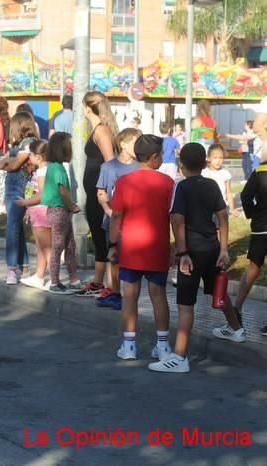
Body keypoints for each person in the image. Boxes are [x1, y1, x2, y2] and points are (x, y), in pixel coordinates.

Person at [148, 143, 244, 373]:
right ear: (205, 163)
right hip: (212, 247)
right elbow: (223, 217)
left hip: (191, 252)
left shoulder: (181, 188)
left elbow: (177, 221)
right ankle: (236, 329)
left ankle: (180, 357)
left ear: (181, 166)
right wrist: (223, 249)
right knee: (217, 290)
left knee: (185, 304)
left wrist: (182, 253)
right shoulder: (212, 185)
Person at [108, 135, 174, 362]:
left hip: (131, 248)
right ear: (155, 158)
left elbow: (116, 215)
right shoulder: (168, 183)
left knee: (130, 295)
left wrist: (113, 244)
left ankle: (129, 346)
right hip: (158, 247)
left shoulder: (124, 182)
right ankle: (163, 347)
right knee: (158, 296)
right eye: (161, 155)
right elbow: (174, 218)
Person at [95, 128, 142, 310]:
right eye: (135, 143)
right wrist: (108, 210)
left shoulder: (140, 167)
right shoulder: (108, 167)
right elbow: (101, 192)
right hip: (113, 220)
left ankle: (131, 296)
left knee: (131, 259)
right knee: (113, 257)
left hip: (134, 222)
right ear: (123, 144)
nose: (138, 147)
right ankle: (114, 292)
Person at [80, 91, 119, 297]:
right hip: (94, 191)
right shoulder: (96, 128)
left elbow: (110, 161)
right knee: (97, 235)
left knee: (104, 238)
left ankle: (111, 286)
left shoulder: (101, 130)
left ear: (88, 108)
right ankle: (97, 282)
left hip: (100, 192)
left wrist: (105, 192)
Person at [234, 95, 267, 337]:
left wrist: (253, 214)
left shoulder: (259, 171)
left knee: (253, 268)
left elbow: (245, 197)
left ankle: (236, 309)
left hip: (260, 228)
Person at [0, 111, 38, 284]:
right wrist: (7, 163)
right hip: (12, 188)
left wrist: (8, 163)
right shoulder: (18, 144)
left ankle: (12, 268)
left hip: (19, 188)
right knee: (17, 228)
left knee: (11, 227)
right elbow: (1, 162)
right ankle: (24, 265)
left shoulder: (29, 143)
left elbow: (12, 164)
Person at [41, 132, 82, 294]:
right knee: (58, 246)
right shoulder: (58, 168)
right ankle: (55, 282)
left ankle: (74, 279)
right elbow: (63, 191)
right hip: (59, 211)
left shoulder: (53, 167)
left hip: (57, 211)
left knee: (70, 245)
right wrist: (72, 206)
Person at [17, 140, 51, 290]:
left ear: (38, 156)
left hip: (41, 212)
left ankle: (54, 279)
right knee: (40, 247)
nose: (28, 156)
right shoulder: (40, 170)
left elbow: (42, 195)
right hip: (36, 212)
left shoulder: (43, 172)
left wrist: (26, 202)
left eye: (30, 154)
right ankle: (39, 276)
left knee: (46, 248)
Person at [202, 144, 238, 216]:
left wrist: (232, 209)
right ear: (208, 158)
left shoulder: (225, 174)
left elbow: (229, 193)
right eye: (215, 158)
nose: (218, 161)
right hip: (206, 209)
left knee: (222, 227)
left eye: (221, 158)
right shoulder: (203, 173)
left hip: (222, 209)